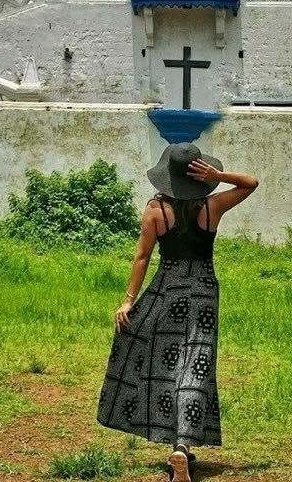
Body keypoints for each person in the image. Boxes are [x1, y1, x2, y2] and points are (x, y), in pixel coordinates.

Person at [97, 143, 259, 482]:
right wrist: (219, 176)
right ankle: (182, 446)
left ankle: (173, 441)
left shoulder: (155, 210)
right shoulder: (212, 206)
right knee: (195, 366)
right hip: (202, 291)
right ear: (199, 175)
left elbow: (142, 258)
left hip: (166, 288)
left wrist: (129, 300)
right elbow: (250, 182)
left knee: (165, 363)